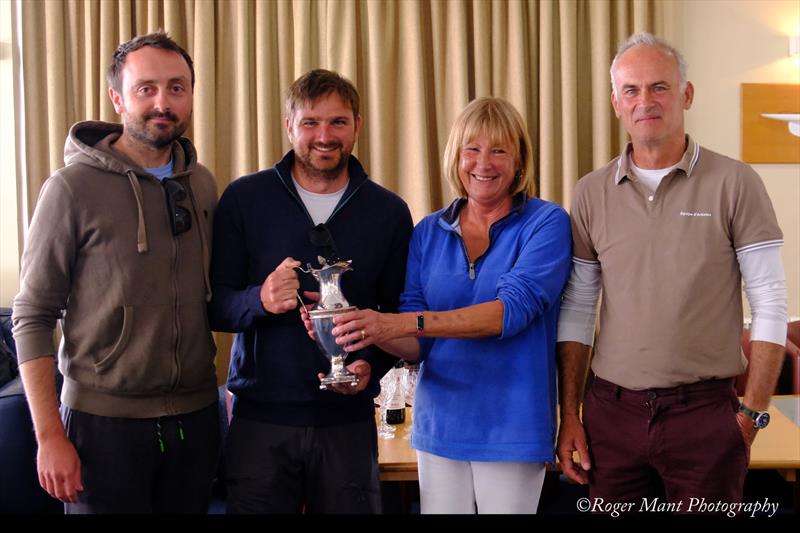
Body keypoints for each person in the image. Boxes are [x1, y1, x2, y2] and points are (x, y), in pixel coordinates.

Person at [555, 32, 788, 512]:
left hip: (705, 415)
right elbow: (578, 308)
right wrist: (570, 415)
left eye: (659, 87)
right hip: (611, 416)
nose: (646, 101)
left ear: (686, 94)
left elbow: (770, 301)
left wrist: (751, 415)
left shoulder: (736, 183)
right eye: (632, 90)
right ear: (617, 102)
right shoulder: (589, 192)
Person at [321, 97, 572, 514]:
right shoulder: (427, 232)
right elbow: (417, 346)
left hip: (512, 425)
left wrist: (399, 323)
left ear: (519, 160)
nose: (483, 163)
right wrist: (365, 327)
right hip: (438, 424)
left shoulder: (546, 223)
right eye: (471, 149)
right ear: (455, 156)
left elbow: (509, 312)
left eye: (499, 150)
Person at [11, 32, 220, 513]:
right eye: (146, 88)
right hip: (102, 425)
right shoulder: (70, 189)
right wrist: (49, 436)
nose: (162, 102)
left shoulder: (203, 184)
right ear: (117, 97)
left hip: (196, 419)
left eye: (176, 87)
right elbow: (33, 315)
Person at [208, 69, 413, 514]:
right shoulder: (244, 199)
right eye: (310, 123)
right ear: (289, 127)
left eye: (338, 122)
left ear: (358, 125)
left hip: (349, 421)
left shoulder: (390, 212)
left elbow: (399, 315)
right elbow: (214, 306)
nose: (325, 136)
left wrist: (367, 365)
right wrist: (257, 300)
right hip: (261, 420)